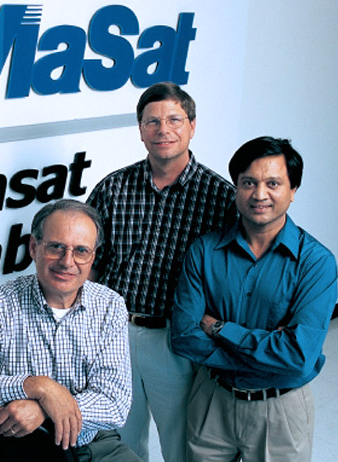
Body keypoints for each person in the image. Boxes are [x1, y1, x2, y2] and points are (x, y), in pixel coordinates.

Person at [86, 82, 236, 461]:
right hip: (115, 333)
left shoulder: (220, 197)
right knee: (118, 437)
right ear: (140, 130)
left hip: (177, 339)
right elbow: (89, 261)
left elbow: (233, 276)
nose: (162, 130)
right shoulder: (113, 187)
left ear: (192, 125)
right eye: (152, 121)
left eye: (173, 119)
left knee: (182, 441)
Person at [0, 199, 142, 462]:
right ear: (34, 247)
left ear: (93, 257)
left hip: (91, 444)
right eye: (56, 247)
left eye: (81, 251)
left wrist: (44, 408)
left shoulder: (110, 305)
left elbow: (114, 404)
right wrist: (34, 386)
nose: (67, 262)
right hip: (21, 448)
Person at [171, 136, 338, 461]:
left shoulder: (316, 262)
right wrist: (268, 356)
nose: (260, 194)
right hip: (212, 400)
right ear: (236, 188)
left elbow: (298, 356)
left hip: (280, 409)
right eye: (249, 182)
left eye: (273, 183)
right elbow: (183, 336)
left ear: (292, 191)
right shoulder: (204, 251)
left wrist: (220, 329)